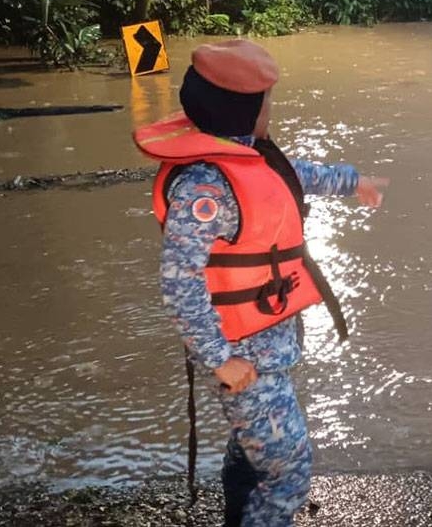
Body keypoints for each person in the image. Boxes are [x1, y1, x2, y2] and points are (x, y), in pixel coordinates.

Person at [133, 40, 386, 527]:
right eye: (267, 101)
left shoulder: (246, 156)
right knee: (289, 473)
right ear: (244, 109)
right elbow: (179, 281)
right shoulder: (206, 189)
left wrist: (355, 182)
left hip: (267, 349)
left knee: (252, 455)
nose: (272, 109)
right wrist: (219, 359)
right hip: (244, 360)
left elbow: (298, 175)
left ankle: (237, 516)